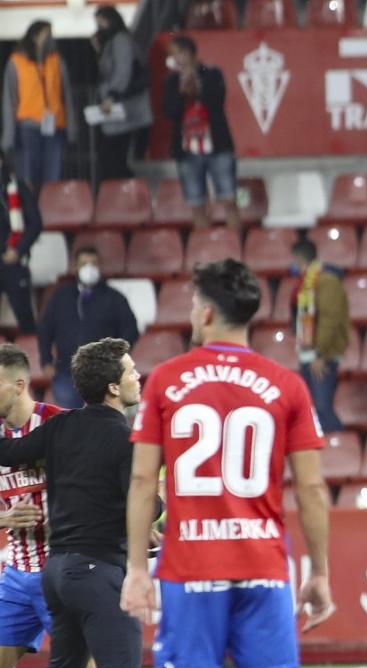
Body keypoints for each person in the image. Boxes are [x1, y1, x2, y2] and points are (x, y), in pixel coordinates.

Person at [120, 259, 336, 668]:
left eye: (194, 301)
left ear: (208, 311)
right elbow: (311, 487)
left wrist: (137, 569)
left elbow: (143, 481)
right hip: (264, 565)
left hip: (191, 567)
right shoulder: (286, 383)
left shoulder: (166, 380)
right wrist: (319, 573)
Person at [0, 338, 156, 668]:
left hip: (55, 570)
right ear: (112, 387)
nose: (137, 377)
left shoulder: (60, 426)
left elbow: (11, 454)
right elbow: (143, 497)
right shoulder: (125, 437)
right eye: (130, 372)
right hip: (95, 569)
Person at [0, 345, 104, 668]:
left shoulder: (61, 426)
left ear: (19, 384)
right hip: (16, 574)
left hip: (60, 571)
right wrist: (5, 521)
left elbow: (91, 491)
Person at [38, 247, 140, 409]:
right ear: (76, 267)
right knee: (71, 420)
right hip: (66, 371)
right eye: (84, 264)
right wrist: (46, 361)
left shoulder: (114, 297)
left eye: (93, 263)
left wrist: (117, 357)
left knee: (103, 420)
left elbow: (130, 330)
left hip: (104, 373)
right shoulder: (61, 296)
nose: (89, 268)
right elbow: (45, 330)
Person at [163, 35, 239, 230]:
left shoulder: (211, 73)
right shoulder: (172, 81)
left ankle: (235, 245)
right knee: (196, 203)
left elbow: (217, 100)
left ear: (192, 54)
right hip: (188, 150)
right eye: (174, 55)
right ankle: (204, 247)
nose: (178, 59)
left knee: (229, 198)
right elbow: (169, 111)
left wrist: (196, 85)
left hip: (217, 145)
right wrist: (182, 92)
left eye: (181, 53)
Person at [1, 21, 74, 195]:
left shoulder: (57, 60)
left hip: (54, 126)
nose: (49, 38)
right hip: (27, 126)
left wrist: (71, 128)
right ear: (33, 36)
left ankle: (51, 213)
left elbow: (67, 96)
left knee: (52, 177)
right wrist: (8, 137)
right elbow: (10, 100)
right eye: (45, 33)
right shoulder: (16, 61)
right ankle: (30, 215)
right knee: (27, 177)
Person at [290, 238, 348, 433]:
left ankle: (340, 448)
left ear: (299, 259)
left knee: (322, 408)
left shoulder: (326, 281)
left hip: (322, 356)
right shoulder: (308, 282)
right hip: (309, 354)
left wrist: (319, 354)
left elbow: (329, 321)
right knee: (314, 409)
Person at [91, 5, 152, 181]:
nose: (99, 27)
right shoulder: (111, 42)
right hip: (119, 110)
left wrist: (112, 96)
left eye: (101, 22)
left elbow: (122, 72)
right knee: (112, 158)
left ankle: (126, 196)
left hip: (124, 109)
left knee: (115, 159)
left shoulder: (121, 40)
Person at [0, 150, 39, 335]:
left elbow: (35, 223)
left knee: (25, 321)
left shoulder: (17, 187)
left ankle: (29, 360)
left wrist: (18, 250)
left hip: (13, 261)